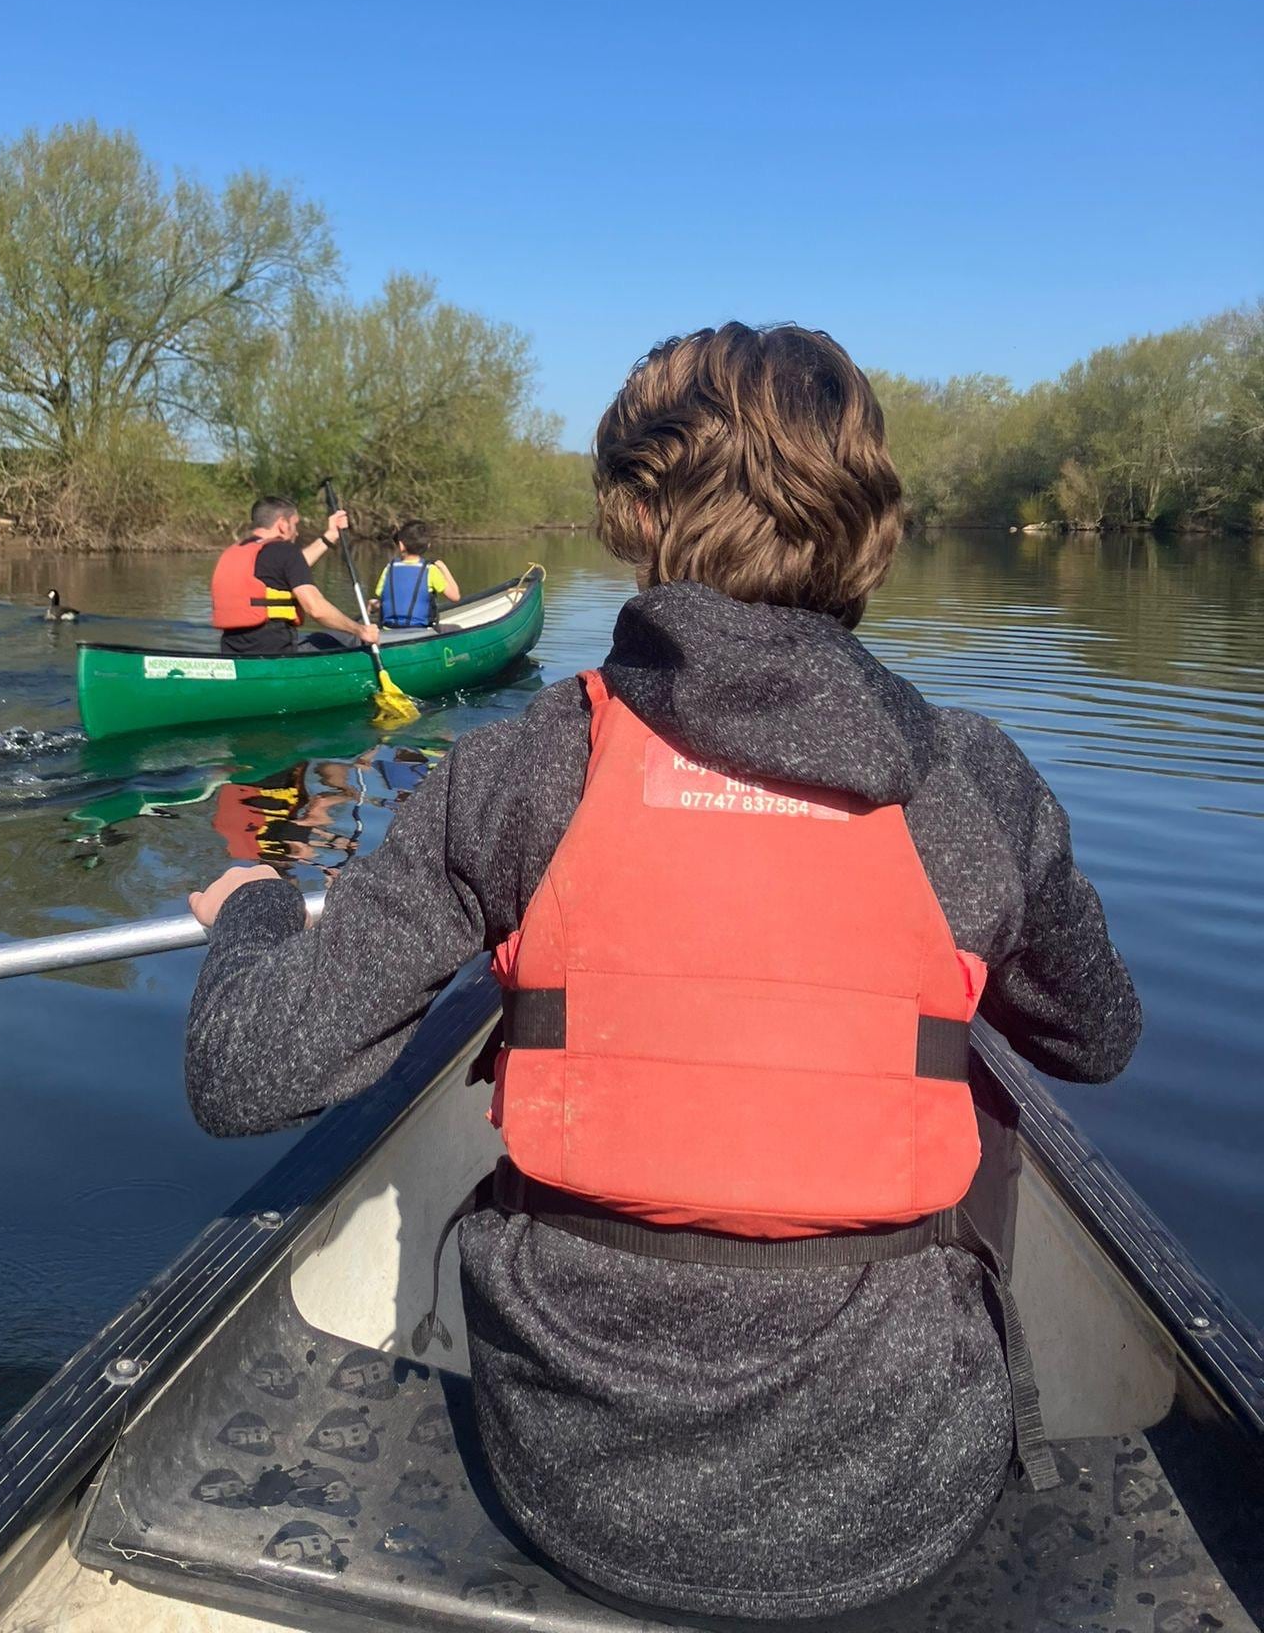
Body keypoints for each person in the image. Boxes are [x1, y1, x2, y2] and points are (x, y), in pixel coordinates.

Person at [183, 325, 1141, 1623]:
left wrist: (251, 909)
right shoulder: (975, 782)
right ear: (879, 533)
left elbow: (248, 1072)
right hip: (900, 1500)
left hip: (571, 1486)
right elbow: (1097, 1038)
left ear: (633, 514)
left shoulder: (520, 778)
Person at [210, 497, 378, 659]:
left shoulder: (235, 552)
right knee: (350, 638)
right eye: (295, 524)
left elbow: (292, 567)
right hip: (278, 653)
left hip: (233, 652)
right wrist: (359, 630)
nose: (297, 532)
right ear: (283, 524)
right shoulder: (286, 551)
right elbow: (316, 609)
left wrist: (329, 536)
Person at [370, 519, 461, 629]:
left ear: (401, 545)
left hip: (389, 629)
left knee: (372, 603)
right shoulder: (430, 570)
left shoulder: (389, 568)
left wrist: (371, 605)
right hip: (420, 630)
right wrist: (443, 567)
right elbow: (455, 596)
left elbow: (384, 598)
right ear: (428, 546)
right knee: (456, 628)